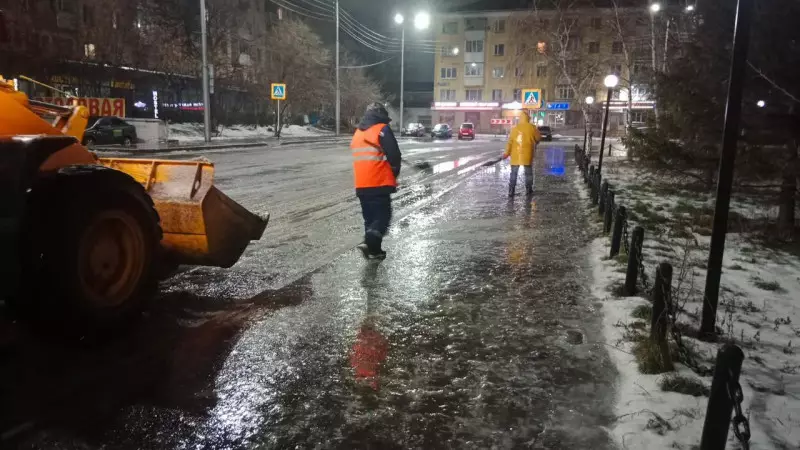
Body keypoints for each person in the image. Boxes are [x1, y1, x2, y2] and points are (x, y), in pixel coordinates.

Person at [351, 103, 401, 260]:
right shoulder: (382, 129)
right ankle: (369, 241)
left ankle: (374, 251)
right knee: (382, 217)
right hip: (379, 183)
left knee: (370, 219)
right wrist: (393, 173)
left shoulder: (358, 132)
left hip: (362, 184)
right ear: (381, 115)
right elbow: (394, 155)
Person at [503, 111, 542, 196]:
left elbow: (510, 142)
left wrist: (506, 153)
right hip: (527, 154)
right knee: (528, 172)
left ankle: (511, 190)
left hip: (515, 155)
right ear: (528, 118)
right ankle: (528, 189)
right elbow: (538, 138)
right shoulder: (532, 127)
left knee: (513, 173)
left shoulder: (515, 128)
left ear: (520, 118)